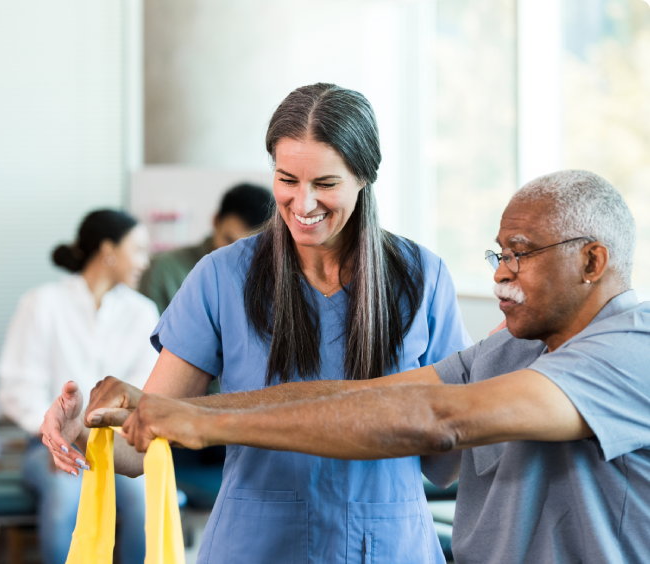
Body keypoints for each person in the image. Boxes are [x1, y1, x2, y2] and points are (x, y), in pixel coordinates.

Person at [42, 83, 472, 564]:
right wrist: (81, 428)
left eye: (325, 184)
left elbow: (445, 465)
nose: (303, 204)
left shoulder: (421, 278)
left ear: (364, 177)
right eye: (287, 179)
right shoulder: (222, 277)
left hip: (389, 546)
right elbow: (146, 443)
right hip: (257, 545)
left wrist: (485, 384)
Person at [124, 170, 650, 564]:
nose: (501, 276)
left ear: (591, 262)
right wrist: (163, 409)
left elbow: (438, 421)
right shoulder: (509, 350)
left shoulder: (634, 349)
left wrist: (203, 421)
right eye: (498, 257)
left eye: (520, 254)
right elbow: (363, 397)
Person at [0, 209, 159, 564]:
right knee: (65, 494)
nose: (145, 263)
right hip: (46, 448)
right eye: (140, 250)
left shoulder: (143, 313)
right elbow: (18, 389)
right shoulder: (42, 304)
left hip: (117, 447)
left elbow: (144, 392)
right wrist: (60, 439)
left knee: (142, 498)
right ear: (109, 250)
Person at [139, 182, 275, 314]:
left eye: (248, 246)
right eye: (229, 239)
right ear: (216, 221)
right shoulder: (164, 270)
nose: (235, 252)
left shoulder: (271, 280)